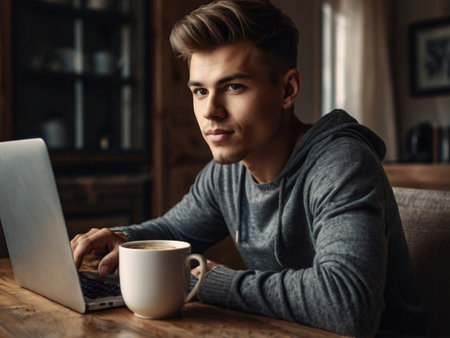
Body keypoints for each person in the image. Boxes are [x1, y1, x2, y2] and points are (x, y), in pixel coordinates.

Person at [71, 0, 427, 336]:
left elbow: (348, 305)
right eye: (199, 91)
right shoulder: (228, 170)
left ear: (287, 90)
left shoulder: (341, 163)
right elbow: (174, 228)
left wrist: (209, 282)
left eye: (234, 86)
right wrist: (126, 239)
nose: (210, 111)